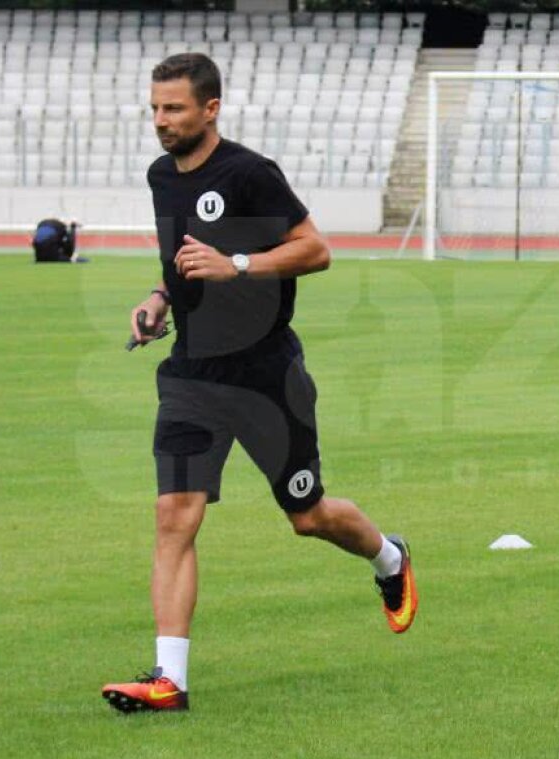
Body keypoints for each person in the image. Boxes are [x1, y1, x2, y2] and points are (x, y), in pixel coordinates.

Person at [101, 53, 417, 714]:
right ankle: (169, 679)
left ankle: (389, 557)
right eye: (155, 108)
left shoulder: (249, 174)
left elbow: (316, 249)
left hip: (266, 374)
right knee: (174, 518)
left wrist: (238, 263)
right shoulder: (162, 176)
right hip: (192, 374)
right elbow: (183, 259)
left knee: (308, 516)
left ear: (210, 109)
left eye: (175, 109)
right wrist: (160, 299)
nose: (160, 122)